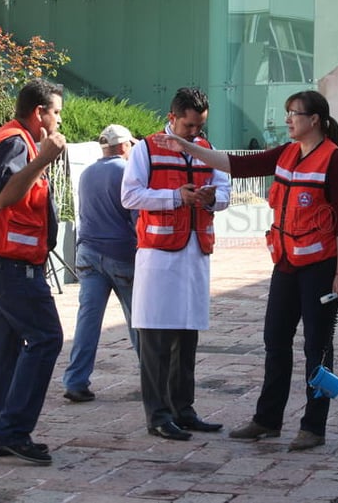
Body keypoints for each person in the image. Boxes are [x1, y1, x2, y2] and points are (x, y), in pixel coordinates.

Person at [153, 90, 338, 452]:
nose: (288, 119)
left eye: (295, 113)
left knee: (316, 348)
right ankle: (267, 420)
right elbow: (235, 164)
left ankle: (314, 426)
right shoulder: (287, 153)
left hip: (321, 268)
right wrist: (187, 146)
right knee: (275, 341)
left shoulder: (334, 160)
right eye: (288, 112)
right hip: (286, 263)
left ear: (315, 121)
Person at [0, 79, 66, 466]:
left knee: (6, 349)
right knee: (45, 338)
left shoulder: (11, 138)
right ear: (39, 113)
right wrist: (44, 158)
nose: (58, 121)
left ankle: (0, 433)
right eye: (56, 112)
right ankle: (13, 431)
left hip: (0, 257)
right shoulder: (18, 142)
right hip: (9, 262)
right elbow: (6, 196)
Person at [121, 87, 231, 441]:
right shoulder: (146, 149)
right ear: (172, 118)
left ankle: (184, 409)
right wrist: (175, 197)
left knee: (187, 335)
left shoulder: (207, 151)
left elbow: (225, 189)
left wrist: (213, 199)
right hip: (158, 256)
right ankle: (158, 414)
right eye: (189, 126)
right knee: (155, 337)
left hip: (195, 253)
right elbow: (130, 195)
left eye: (199, 126)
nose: (195, 133)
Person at [63, 124, 140, 403]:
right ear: (123, 147)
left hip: (88, 253)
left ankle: (75, 381)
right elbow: (136, 219)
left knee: (87, 321)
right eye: (130, 145)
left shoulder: (87, 173)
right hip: (121, 254)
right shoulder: (127, 172)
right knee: (138, 321)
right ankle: (152, 379)